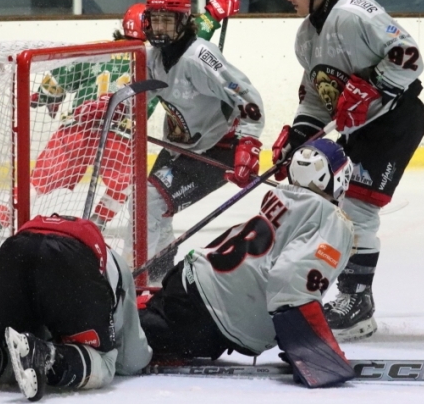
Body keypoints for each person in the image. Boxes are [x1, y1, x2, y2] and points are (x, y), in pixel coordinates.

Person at [0, 0, 243, 258]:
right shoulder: (152, 57)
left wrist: (44, 97)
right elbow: (190, 43)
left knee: (39, 180)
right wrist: (212, 14)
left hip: (77, 127)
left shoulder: (99, 51)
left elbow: (59, 79)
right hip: (121, 134)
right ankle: (98, 220)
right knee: (126, 185)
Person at [273, 0, 424, 341]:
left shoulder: (356, 13)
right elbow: (317, 97)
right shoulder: (305, 37)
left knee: (357, 206)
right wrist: (298, 137)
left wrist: (375, 85)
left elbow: (409, 55)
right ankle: (332, 287)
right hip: (359, 129)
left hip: (395, 120)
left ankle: (357, 304)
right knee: (325, 203)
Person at [139, 139, 357, 388]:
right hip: (212, 316)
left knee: (143, 325)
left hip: (195, 283)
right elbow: (292, 283)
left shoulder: (284, 196)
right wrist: (315, 354)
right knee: (128, 343)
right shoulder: (330, 219)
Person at [142, 0, 265, 280]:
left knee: (150, 202)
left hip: (218, 149)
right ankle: (157, 275)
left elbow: (248, 99)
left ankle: (141, 277)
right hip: (178, 148)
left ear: (184, 21)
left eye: (167, 20)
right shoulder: (153, 57)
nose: (159, 28)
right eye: (155, 19)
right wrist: (110, 108)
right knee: (151, 206)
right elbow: (140, 99)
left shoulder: (199, 56)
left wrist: (248, 143)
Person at [0, 214, 152, 401]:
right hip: (68, 262)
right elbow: (131, 360)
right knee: (105, 363)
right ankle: (46, 357)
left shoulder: (59, 236)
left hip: (10, 254)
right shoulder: (115, 263)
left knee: (8, 348)